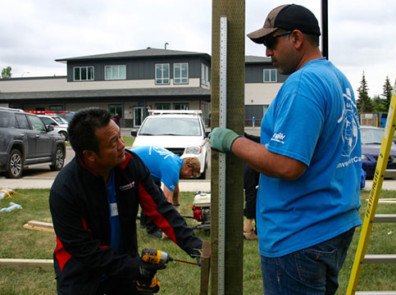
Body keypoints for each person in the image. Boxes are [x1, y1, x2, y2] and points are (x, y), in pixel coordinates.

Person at [209, 4, 362, 294]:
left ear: (295, 38)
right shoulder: (337, 79)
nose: (267, 52)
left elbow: (287, 164)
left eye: (270, 42)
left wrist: (233, 141)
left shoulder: (303, 84)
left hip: (300, 234)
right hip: (332, 223)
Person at [49, 108, 202, 294]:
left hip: (123, 262)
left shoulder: (130, 164)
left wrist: (196, 247)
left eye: (120, 137)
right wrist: (134, 268)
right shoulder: (66, 189)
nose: (122, 145)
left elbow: (161, 210)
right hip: (80, 270)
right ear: (90, 155)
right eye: (114, 142)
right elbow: (82, 248)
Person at [131, 145, 201, 238]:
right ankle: (152, 230)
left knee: (153, 188)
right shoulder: (172, 169)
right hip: (132, 163)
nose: (189, 177)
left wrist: (177, 207)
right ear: (189, 167)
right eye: (191, 175)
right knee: (156, 197)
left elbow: (175, 190)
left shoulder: (176, 162)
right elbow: (167, 200)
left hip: (139, 162)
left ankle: (145, 222)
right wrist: (170, 226)